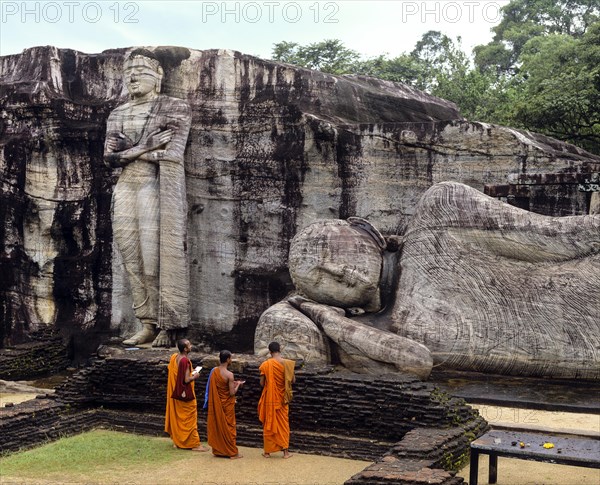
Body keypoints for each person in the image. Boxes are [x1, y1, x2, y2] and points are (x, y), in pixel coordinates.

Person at [104, 48, 192, 347]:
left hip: (155, 188)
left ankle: (168, 323)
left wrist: (129, 151)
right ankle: (146, 322)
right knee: (131, 258)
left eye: (140, 72)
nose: (132, 77)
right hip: (126, 187)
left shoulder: (175, 107)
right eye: (128, 73)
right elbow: (110, 158)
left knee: (154, 259)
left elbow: (172, 155)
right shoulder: (118, 113)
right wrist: (145, 147)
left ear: (158, 76)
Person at [164, 339, 208, 451]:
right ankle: (194, 444)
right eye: (189, 345)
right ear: (185, 349)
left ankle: (177, 440)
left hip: (176, 393)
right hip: (185, 395)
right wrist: (195, 376)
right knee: (189, 418)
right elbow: (186, 379)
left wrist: (190, 372)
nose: (191, 346)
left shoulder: (174, 357)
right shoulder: (185, 361)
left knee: (179, 418)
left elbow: (177, 374)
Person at [258, 341, 295, 458]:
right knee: (284, 424)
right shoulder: (288, 364)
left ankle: (267, 452)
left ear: (270, 352)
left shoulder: (265, 365)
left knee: (269, 422)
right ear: (280, 350)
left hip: (270, 398)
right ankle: (286, 452)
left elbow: (262, 383)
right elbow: (293, 380)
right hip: (282, 398)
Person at [205, 350, 244, 459]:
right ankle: (231, 452)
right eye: (230, 358)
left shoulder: (214, 372)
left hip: (217, 405)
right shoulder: (229, 375)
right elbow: (232, 393)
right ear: (227, 359)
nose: (231, 360)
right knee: (229, 427)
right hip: (227, 405)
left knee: (218, 426)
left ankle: (219, 450)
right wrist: (238, 385)